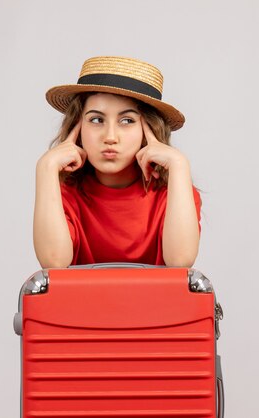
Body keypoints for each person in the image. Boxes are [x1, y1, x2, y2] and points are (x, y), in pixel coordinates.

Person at [33, 56, 201, 268]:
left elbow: (180, 262)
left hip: (156, 303)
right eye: (96, 120)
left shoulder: (175, 192)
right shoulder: (63, 194)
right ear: (78, 126)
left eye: (127, 121)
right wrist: (45, 168)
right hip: (81, 303)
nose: (110, 136)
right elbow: (53, 262)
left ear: (147, 129)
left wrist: (179, 165)